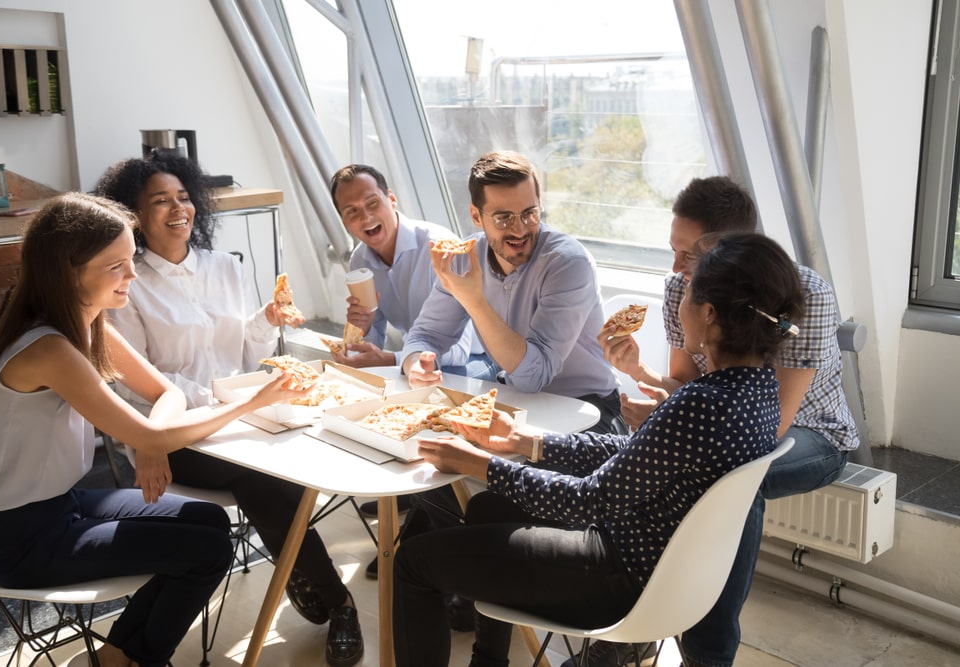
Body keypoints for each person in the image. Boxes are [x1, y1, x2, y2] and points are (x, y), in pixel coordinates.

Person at [391, 232, 807, 667]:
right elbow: (635, 453)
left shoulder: (701, 403)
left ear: (708, 314)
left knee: (413, 562)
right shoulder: (756, 391)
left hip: (618, 577)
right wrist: (526, 442)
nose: (679, 300)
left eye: (687, 291)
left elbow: (588, 500)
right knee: (490, 510)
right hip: (658, 566)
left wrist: (483, 464)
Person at [0, 192, 310, 667]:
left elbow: (169, 395)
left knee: (209, 522)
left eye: (131, 260)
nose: (132, 276)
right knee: (205, 550)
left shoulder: (89, 325)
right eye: (116, 266)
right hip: (17, 537)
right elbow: (156, 428)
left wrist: (150, 444)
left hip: (62, 505)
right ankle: (132, 659)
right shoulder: (49, 349)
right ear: (69, 271)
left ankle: (119, 654)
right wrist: (254, 401)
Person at [94, 152, 363, 667]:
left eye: (184, 196)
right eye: (160, 201)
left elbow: (242, 349)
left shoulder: (223, 267)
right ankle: (337, 599)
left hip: (244, 414)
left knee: (294, 463)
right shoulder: (127, 283)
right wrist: (221, 399)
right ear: (134, 214)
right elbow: (138, 386)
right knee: (263, 477)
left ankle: (299, 573)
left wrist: (264, 319)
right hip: (177, 432)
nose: (179, 209)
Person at [587, 175, 859, 667]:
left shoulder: (803, 294)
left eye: (687, 255)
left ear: (731, 249)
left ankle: (706, 656)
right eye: (673, 251)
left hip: (813, 433)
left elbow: (769, 426)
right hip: (727, 426)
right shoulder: (680, 291)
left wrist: (667, 427)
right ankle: (635, 616)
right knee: (667, 457)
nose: (675, 269)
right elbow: (687, 387)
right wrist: (639, 374)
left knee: (733, 481)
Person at [401, 150, 627, 435]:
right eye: (504, 218)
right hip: (516, 400)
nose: (520, 230)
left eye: (529, 214)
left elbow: (535, 376)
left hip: (589, 411)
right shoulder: (465, 257)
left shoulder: (568, 263)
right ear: (475, 215)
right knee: (420, 442)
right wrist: (415, 365)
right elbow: (426, 335)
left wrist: (474, 301)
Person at [328, 163, 474, 373]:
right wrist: (365, 327)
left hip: (475, 359)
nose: (366, 217)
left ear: (392, 199)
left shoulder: (441, 248)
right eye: (352, 211)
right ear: (344, 221)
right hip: (418, 356)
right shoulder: (359, 261)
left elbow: (460, 352)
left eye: (373, 203)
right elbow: (372, 348)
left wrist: (393, 359)